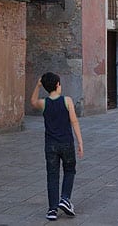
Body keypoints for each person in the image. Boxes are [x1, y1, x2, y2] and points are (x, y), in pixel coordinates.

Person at [30, 72, 83, 221]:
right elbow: (74, 122)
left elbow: (32, 101)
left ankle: (52, 209)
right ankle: (65, 198)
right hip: (66, 143)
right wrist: (80, 141)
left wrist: (37, 85)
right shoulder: (67, 101)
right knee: (70, 170)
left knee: (52, 176)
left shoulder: (44, 103)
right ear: (58, 84)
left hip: (51, 145)